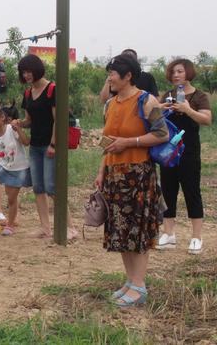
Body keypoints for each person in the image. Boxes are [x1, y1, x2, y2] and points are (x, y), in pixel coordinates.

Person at [94, 53, 168, 307]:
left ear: (128, 76)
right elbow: (107, 141)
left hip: (138, 175)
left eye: (113, 74)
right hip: (114, 175)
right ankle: (130, 281)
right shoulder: (111, 104)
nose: (110, 78)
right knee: (121, 230)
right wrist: (101, 171)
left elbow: (162, 134)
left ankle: (139, 285)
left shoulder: (147, 101)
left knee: (137, 231)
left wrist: (130, 142)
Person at [15, 54, 78, 239]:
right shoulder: (28, 93)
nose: (26, 75)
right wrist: (19, 123)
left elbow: (59, 120)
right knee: (38, 188)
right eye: (23, 72)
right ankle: (45, 228)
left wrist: (53, 144)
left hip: (50, 145)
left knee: (53, 188)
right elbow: (29, 120)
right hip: (34, 146)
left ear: (37, 69)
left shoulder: (52, 89)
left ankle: (70, 227)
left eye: (29, 71)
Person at [156, 58, 212, 254]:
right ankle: (168, 233)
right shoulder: (168, 95)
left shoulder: (199, 96)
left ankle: (196, 237)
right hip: (168, 150)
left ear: (188, 72)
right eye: (173, 72)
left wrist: (187, 109)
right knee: (168, 189)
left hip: (189, 150)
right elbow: (156, 120)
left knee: (191, 191)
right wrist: (161, 110)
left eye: (179, 71)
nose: (176, 75)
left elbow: (206, 119)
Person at [0, 104, 31, 235]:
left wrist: (19, 129)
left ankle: (10, 225)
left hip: (18, 169)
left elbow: (26, 142)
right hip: (4, 168)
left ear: (2, 117)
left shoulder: (11, 129)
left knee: (11, 199)